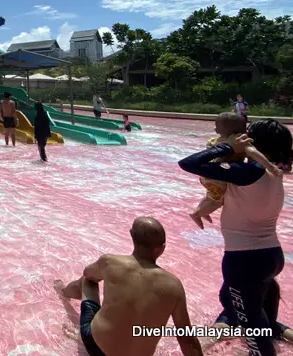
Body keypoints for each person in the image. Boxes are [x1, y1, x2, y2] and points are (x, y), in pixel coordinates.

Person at [178, 121, 291, 354]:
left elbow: (188, 163)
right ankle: (269, 328)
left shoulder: (245, 173)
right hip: (271, 255)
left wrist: (227, 147)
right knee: (241, 303)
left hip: (244, 260)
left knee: (252, 327)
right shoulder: (274, 172)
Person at [56, 217, 202, 356]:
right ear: (162, 248)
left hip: (96, 349)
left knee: (88, 280)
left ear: (131, 235)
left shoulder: (110, 262)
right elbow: (186, 338)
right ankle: (70, 291)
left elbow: (88, 273)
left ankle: (65, 292)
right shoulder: (174, 285)